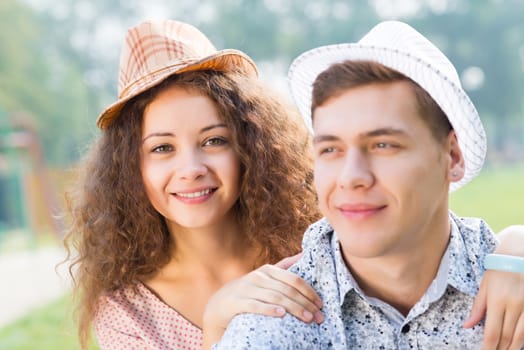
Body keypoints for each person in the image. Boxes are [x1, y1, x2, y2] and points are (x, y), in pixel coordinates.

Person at [213, 20, 524, 349]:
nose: (351, 177)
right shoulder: (268, 329)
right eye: (331, 149)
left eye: (383, 145)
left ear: (453, 157)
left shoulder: (512, 286)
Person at [65, 19, 324, 350]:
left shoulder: (310, 252)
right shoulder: (127, 312)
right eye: (162, 148)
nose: (191, 169)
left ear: (251, 148)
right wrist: (216, 326)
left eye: (214, 140)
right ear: (130, 169)